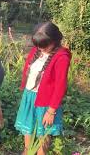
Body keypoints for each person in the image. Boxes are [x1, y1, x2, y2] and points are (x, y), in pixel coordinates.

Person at [14, 22, 71, 155]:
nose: (40, 49)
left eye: (44, 46)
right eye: (38, 45)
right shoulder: (38, 48)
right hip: (30, 96)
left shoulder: (62, 57)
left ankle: (41, 153)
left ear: (55, 41)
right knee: (28, 126)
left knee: (43, 131)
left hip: (45, 101)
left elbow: (60, 86)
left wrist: (51, 111)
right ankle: (27, 151)